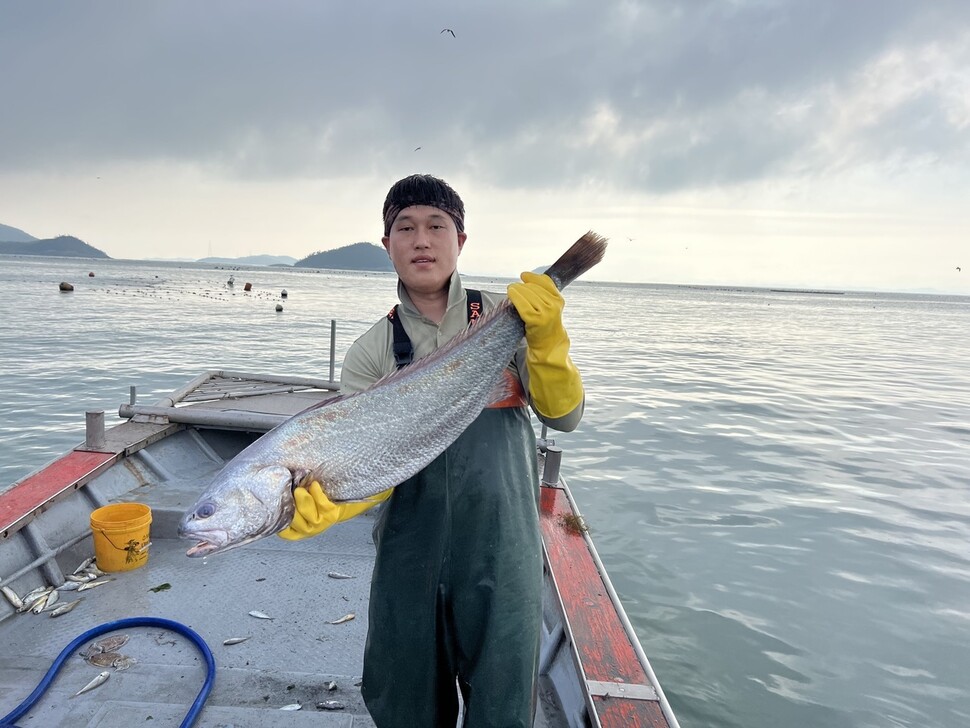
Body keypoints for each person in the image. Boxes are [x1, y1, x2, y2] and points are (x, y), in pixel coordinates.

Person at [279, 173, 586, 727]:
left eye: (436, 226)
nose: (422, 240)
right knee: (406, 698)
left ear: (460, 240)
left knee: (503, 701)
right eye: (406, 228)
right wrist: (331, 501)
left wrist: (547, 343)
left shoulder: (509, 317)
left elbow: (563, 416)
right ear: (387, 246)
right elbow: (365, 458)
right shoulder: (372, 352)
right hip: (408, 553)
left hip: (503, 549)